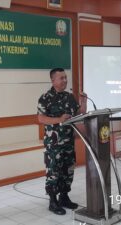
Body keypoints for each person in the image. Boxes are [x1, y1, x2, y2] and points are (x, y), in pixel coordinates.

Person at [37, 68, 87, 215]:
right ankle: (53, 201)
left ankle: (64, 197)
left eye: (65, 78)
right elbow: (41, 118)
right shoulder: (45, 97)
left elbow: (79, 113)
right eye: (61, 78)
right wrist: (59, 120)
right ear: (53, 80)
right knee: (54, 172)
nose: (65, 80)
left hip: (68, 142)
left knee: (68, 170)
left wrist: (83, 102)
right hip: (54, 144)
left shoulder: (69, 97)